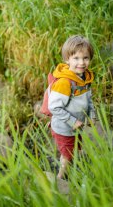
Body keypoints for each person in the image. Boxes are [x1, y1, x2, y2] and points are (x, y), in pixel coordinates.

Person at [48, 35, 95, 179]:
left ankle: (69, 169)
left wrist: (91, 115)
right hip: (64, 127)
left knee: (72, 150)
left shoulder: (84, 78)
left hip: (76, 127)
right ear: (67, 59)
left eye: (85, 58)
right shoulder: (64, 82)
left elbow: (89, 99)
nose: (81, 63)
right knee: (67, 155)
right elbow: (54, 107)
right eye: (76, 58)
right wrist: (72, 121)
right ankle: (60, 179)